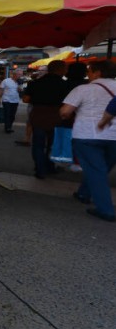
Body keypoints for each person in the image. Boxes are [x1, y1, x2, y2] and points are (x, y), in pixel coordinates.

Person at [60, 60, 116, 222]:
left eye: (90, 71)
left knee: (96, 170)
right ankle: (84, 193)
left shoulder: (83, 89)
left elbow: (65, 112)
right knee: (99, 169)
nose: (88, 74)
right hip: (114, 137)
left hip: (88, 134)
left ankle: (106, 210)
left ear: (98, 72)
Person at [23, 60, 69, 179]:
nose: (66, 71)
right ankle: (50, 167)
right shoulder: (65, 85)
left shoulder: (36, 83)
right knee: (52, 144)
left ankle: (40, 169)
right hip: (56, 116)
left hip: (38, 115)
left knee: (38, 144)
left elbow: (26, 99)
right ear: (60, 70)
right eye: (65, 68)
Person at [0, 68, 23, 134]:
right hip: (6, 100)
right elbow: (1, 90)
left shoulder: (20, 82)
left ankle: (9, 126)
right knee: (7, 114)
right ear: (14, 74)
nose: (20, 76)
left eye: (21, 74)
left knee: (12, 115)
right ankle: (7, 128)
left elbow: (20, 91)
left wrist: (20, 87)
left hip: (15, 101)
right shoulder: (6, 81)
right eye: (19, 74)